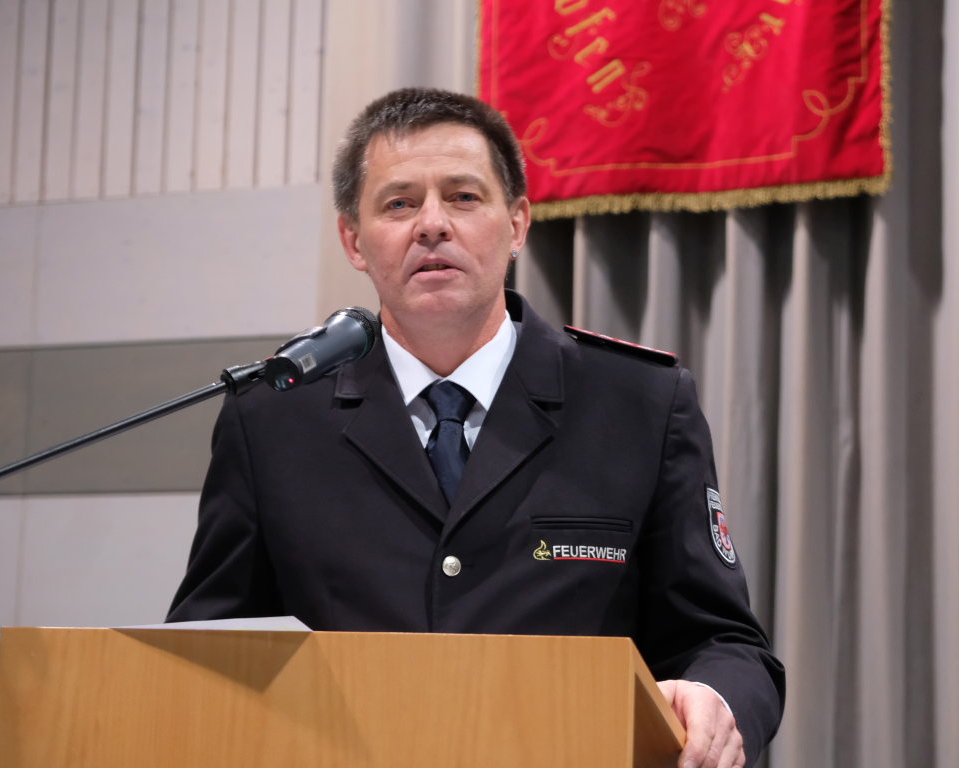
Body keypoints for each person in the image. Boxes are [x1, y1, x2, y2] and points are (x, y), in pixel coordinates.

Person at [168, 87, 785, 768]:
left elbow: (725, 642)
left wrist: (716, 699)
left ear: (517, 224)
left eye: (463, 197)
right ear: (353, 240)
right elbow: (211, 648)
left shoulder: (640, 402)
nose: (432, 225)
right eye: (399, 204)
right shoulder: (272, 419)